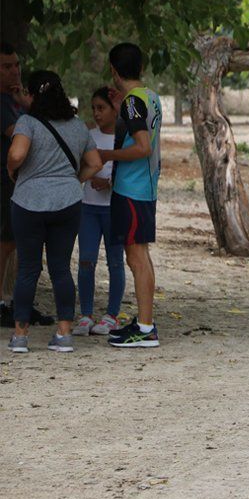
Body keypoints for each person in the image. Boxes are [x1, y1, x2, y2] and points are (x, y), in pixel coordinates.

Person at [6, 71, 102, 353]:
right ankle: (63, 334)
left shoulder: (27, 122)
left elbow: (16, 155)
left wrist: (12, 170)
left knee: (28, 269)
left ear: (33, 95)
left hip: (28, 203)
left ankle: (20, 335)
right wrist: (75, 180)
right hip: (68, 203)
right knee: (61, 268)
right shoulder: (77, 126)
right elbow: (95, 162)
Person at [98, 42, 162, 348]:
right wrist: (123, 100)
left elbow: (142, 147)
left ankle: (146, 329)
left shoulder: (131, 103)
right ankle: (144, 322)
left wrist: (105, 154)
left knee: (136, 258)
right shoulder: (148, 96)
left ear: (113, 69)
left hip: (131, 190)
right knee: (142, 257)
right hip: (145, 188)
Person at [0, 42, 54, 329]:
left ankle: (20, 303)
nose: (13, 72)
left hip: (25, 182)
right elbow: (24, 138)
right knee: (6, 242)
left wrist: (27, 104)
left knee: (22, 242)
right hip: (6, 182)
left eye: (16, 65)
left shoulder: (16, 102)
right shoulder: (3, 105)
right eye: (6, 67)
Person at [73, 88, 125, 336]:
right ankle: (86, 315)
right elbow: (81, 165)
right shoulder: (88, 136)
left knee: (116, 262)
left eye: (101, 108)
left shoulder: (125, 139)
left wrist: (110, 183)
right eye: (93, 107)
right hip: (88, 208)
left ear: (115, 109)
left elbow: (130, 171)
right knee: (86, 260)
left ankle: (112, 315)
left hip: (114, 209)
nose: (96, 113)